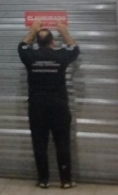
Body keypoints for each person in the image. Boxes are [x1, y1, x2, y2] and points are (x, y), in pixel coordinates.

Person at [18, 20, 80, 189]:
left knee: (39, 143)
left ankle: (43, 180)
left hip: (37, 107)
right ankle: (66, 181)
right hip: (59, 106)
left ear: (37, 43)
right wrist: (64, 31)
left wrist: (33, 30)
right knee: (62, 143)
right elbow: (74, 48)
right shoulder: (61, 56)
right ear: (53, 42)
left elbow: (22, 46)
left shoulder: (30, 56)